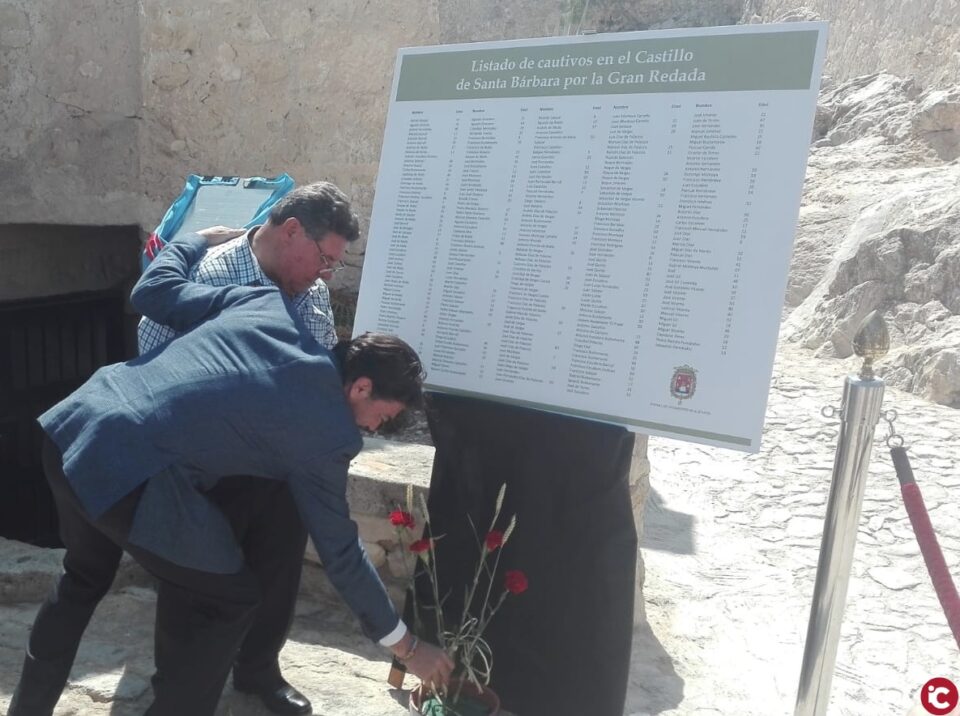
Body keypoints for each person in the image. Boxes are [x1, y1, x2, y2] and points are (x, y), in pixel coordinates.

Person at [7, 231, 453, 716]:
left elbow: (157, 288)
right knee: (232, 596)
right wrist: (406, 646)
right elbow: (341, 552)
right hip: (127, 471)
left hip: (73, 425)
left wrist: (193, 240)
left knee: (81, 578)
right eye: (382, 417)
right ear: (361, 386)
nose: (373, 428)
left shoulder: (264, 303)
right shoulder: (328, 433)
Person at [137, 181, 356, 714]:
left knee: (278, 565)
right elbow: (153, 354)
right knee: (193, 578)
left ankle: (259, 670)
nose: (326, 273)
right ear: (291, 232)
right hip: (206, 460)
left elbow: (320, 366)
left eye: (334, 265)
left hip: (280, 461)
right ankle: (177, 683)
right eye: (324, 258)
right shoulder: (209, 274)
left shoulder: (313, 293)